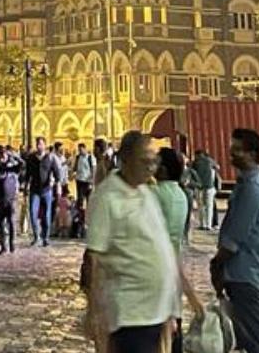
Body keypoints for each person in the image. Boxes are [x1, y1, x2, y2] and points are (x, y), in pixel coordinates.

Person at [86, 132, 200, 353]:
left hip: (157, 310)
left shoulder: (146, 191)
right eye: (144, 160)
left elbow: (163, 248)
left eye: (154, 160)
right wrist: (95, 312)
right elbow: (94, 260)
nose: (151, 167)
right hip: (131, 313)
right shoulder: (107, 197)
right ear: (126, 159)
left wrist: (187, 298)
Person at [210, 128, 259, 353]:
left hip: (244, 271)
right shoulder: (248, 183)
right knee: (247, 338)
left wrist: (217, 263)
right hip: (244, 270)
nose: (232, 154)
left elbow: (235, 236)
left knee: (256, 339)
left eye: (238, 150)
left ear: (253, 154)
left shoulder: (253, 189)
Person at [0, 145, 22, 254]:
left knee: (11, 222)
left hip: (11, 200)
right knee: (0, 224)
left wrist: (13, 155)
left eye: (3, 154)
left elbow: (23, 164)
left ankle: (12, 243)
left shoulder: (12, 168)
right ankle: (3, 245)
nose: (2, 157)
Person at [24, 136, 58, 247]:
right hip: (34, 190)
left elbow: (57, 173)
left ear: (45, 145)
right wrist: (25, 187)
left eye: (41, 144)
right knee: (33, 214)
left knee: (46, 216)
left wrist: (55, 183)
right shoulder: (31, 158)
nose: (39, 146)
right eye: (37, 144)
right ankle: (36, 237)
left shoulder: (50, 158)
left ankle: (45, 237)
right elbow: (27, 174)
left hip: (47, 190)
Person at [191, 149, 218, 231]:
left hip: (200, 187)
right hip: (210, 186)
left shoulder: (195, 163)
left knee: (201, 206)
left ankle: (202, 224)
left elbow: (192, 173)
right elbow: (217, 167)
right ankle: (209, 225)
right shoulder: (210, 161)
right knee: (209, 206)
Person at [73, 142, 94, 238]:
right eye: (79, 149)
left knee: (89, 202)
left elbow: (94, 170)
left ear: (85, 148)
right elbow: (75, 168)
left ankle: (89, 223)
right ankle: (80, 223)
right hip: (79, 181)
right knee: (80, 202)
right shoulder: (78, 158)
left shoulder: (90, 158)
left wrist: (91, 182)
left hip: (87, 182)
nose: (80, 151)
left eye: (81, 149)